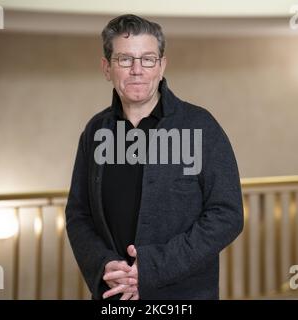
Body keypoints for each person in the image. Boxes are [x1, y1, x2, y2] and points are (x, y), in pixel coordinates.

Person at [65, 14, 244, 300]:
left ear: (161, 66)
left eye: (148, 59)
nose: (137, 69)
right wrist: (104, 265)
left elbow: (227, 215)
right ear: (106, 67)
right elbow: (78, 214)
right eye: (124, 59)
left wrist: (152, 268)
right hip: (114, 296)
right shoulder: (95, 132)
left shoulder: (200, 126)